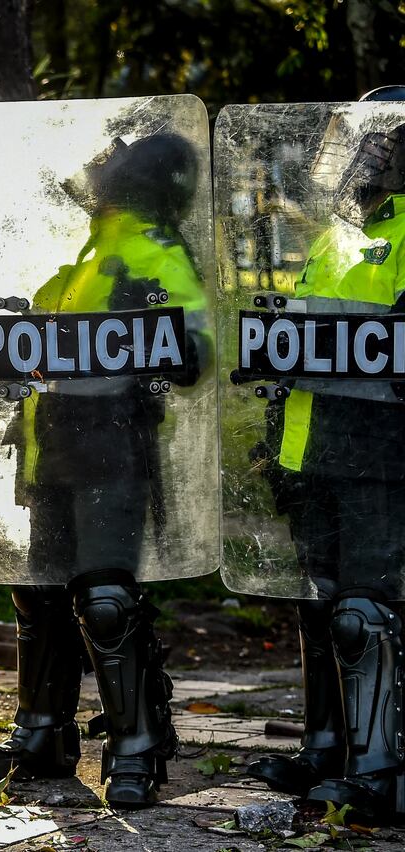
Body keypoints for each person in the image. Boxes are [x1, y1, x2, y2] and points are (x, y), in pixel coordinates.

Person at [0, 132, 209, 808]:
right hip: (54, 446)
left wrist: (164, 330)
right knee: (40, 593)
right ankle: (42, 734)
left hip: (115, 451)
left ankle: (135, 746)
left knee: (105, 598)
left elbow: (194, 349)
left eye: (112, 162)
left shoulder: (152, 251)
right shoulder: (88, 253)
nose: (96, 170)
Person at [244, 87, 405, 819]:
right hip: (311, 451)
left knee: (365, 611)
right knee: (320, 604)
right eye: (357, 141)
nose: (359, 156)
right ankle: (327, 749)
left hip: (382, 460)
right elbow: (297, 348)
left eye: (378, 143)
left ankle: (378, 771)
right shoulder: (336, 236)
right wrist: (274, 441)